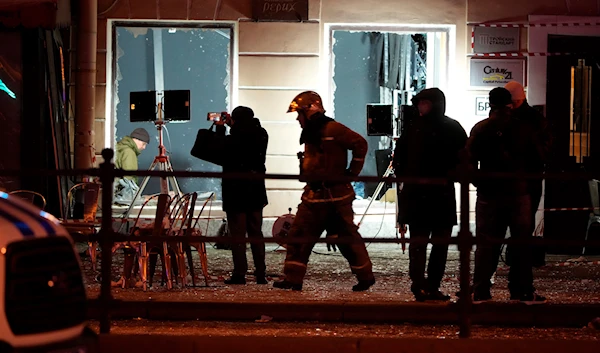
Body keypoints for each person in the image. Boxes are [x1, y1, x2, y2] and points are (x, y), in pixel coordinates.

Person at [273, 91, 375, 292]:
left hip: (336, 198)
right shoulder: (312, 133)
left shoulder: (332, 129)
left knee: (346, 239)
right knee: (298, 237)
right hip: (314, 196)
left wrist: (351, 174)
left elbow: (360, 144)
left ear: (309, 112)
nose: (297, 119)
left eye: (299, 114)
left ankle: (365, 277)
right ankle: (293, 278)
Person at [466, 87, 546, 304]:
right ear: (510, 103)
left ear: (490, 103)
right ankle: (521, 290)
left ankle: (481, 290)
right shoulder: (524, 128)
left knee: (486, 243)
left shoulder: (481, 129)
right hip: (518, 192)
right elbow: (538, 160)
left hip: (489, 193)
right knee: (521, 243)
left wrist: (480, 182)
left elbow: (468, 161)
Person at [393, 88, 468, 302]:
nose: (420, 107)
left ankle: (425, 285)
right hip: (437, 194)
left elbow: (399, 160)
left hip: (423, 194)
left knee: (427, 244)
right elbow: (464, 159)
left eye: (423, 102)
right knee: (431, 244)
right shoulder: (449, 128)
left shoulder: (414, 129)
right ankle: (424, 285)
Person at [215, 106, 269, 285]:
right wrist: (233, 125)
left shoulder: (234, 138)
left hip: (236, 192)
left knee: (238, 235)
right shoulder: (262, 134)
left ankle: (240, 273)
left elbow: (220, 149)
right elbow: (246, 135)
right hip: (255, 191)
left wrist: (222, 127)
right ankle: (261, 273)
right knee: (256, 233)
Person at [504, 81, 551, 267]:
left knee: (511, 222)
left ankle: (516, 260)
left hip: (515, 177)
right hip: (529, 177)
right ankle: (520, 266)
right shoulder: (535, 119)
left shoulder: (507, 119)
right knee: (524, 223)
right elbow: (544, 150)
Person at [114, 127, 150, 204]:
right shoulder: (129, 152)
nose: (144, 147)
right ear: (136, 139)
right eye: (144, 144)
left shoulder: (120, 148)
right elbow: (129, 179)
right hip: (124, 197)